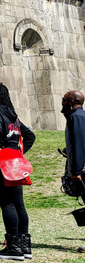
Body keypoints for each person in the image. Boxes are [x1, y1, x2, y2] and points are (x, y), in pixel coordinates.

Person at [0, 82, 35, 260]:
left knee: (7, 203)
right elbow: (30, 136)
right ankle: (24, 248)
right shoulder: (13, 115)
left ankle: (13, 249)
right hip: (15, 162)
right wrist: (17, 152)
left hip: (0, 162)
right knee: (19, 204)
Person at [61, 90, 85, 253]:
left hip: (82, 170)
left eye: (64, 100)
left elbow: (78, 144)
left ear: (71, 101)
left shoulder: (75, 117)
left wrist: (75, 170)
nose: (62, 103)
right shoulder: (81, 116)